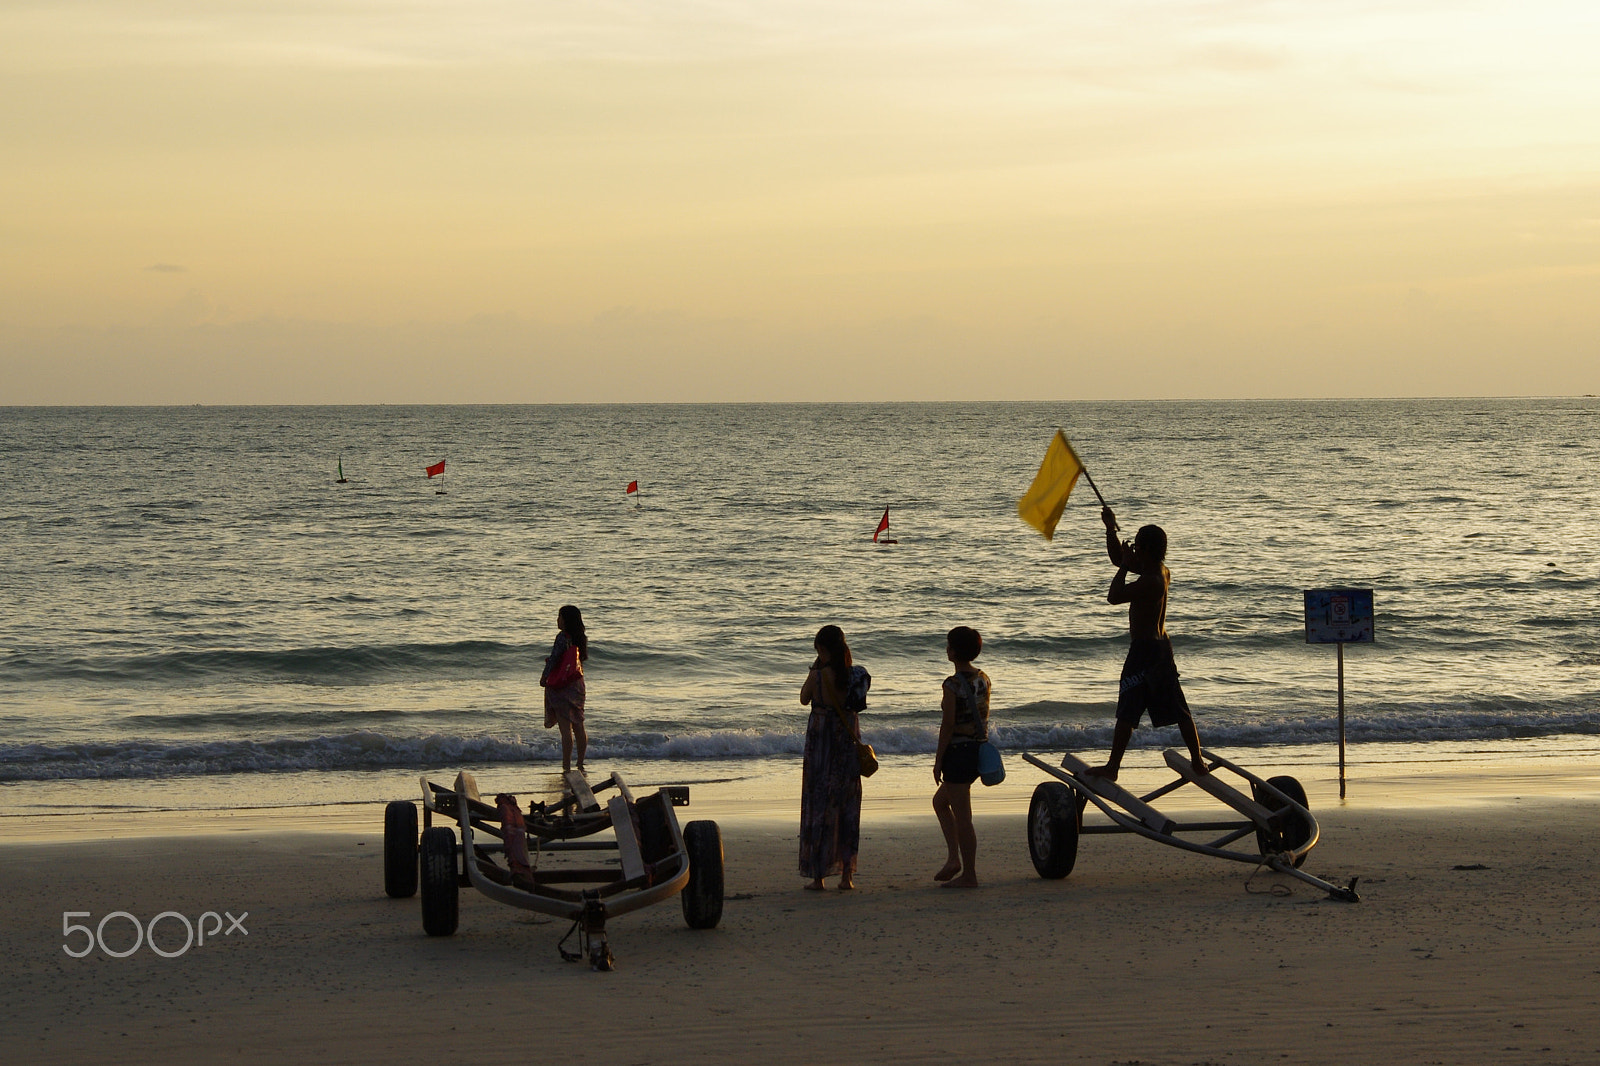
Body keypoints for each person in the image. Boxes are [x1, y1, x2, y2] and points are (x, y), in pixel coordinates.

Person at [1088, 506, 1206, 781]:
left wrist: (1127, 566)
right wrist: (1110, 528)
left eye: (1138, 545)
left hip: (1146, 651)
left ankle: (1114, 768)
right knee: (1168, 708)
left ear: (1148, 550)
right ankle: (1196, 761)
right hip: (1160, 648)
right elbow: (1118, 560)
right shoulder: (1159, 569)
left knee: (1133, 709)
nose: (1134, 549)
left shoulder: (1153, 580)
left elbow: (1114, 596)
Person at [799, 624, 870, 891]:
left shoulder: (818, 676)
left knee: (819, 805)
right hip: (847, 742)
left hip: (821, 745)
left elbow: (804, 699)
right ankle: (846, 876)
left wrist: (815, 668)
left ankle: (818, 876)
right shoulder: (857, 676)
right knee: (847, 806)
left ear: (823, 649)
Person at [933, 625, 989, 888]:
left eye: (949, 645)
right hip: (976, 749)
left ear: (954, 652)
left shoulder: (952, 684)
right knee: (940, 802)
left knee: (963, 816)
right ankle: (954, 859)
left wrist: (938, 760)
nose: (947, 649)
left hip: (958, 751)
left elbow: (948, 725)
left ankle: (969, 874)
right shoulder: (983, 678)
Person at [540, 605, 588, 773]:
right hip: (577, 684)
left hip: (561, 685)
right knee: (579, 725)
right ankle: (580, 763)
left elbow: (554, 659)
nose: (557, 620)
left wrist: (544, 676)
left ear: (566, 620)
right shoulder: (580, 637)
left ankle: (566, 766)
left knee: (565, 729)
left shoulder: (562, 637)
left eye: (559, 616)